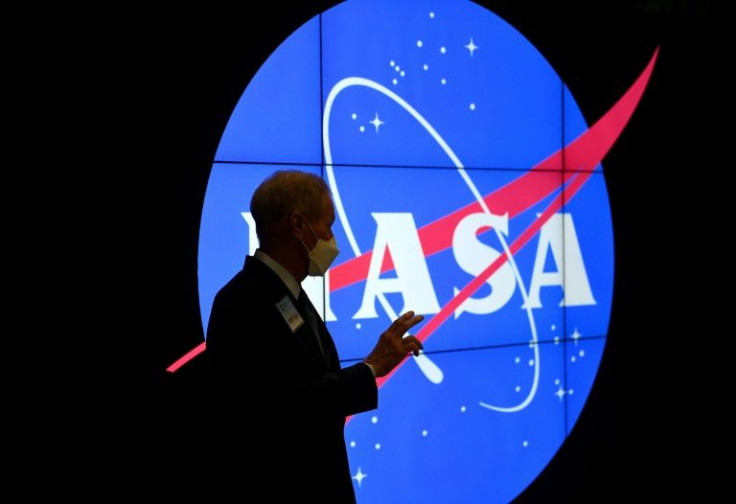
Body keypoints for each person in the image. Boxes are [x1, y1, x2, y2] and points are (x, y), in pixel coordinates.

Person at [204, 169, 424, 502]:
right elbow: (279, 410)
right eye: (327, 225)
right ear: (298, 225)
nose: (332, 238)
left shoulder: (288, 294)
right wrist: (371, 368)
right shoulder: (242, 300)